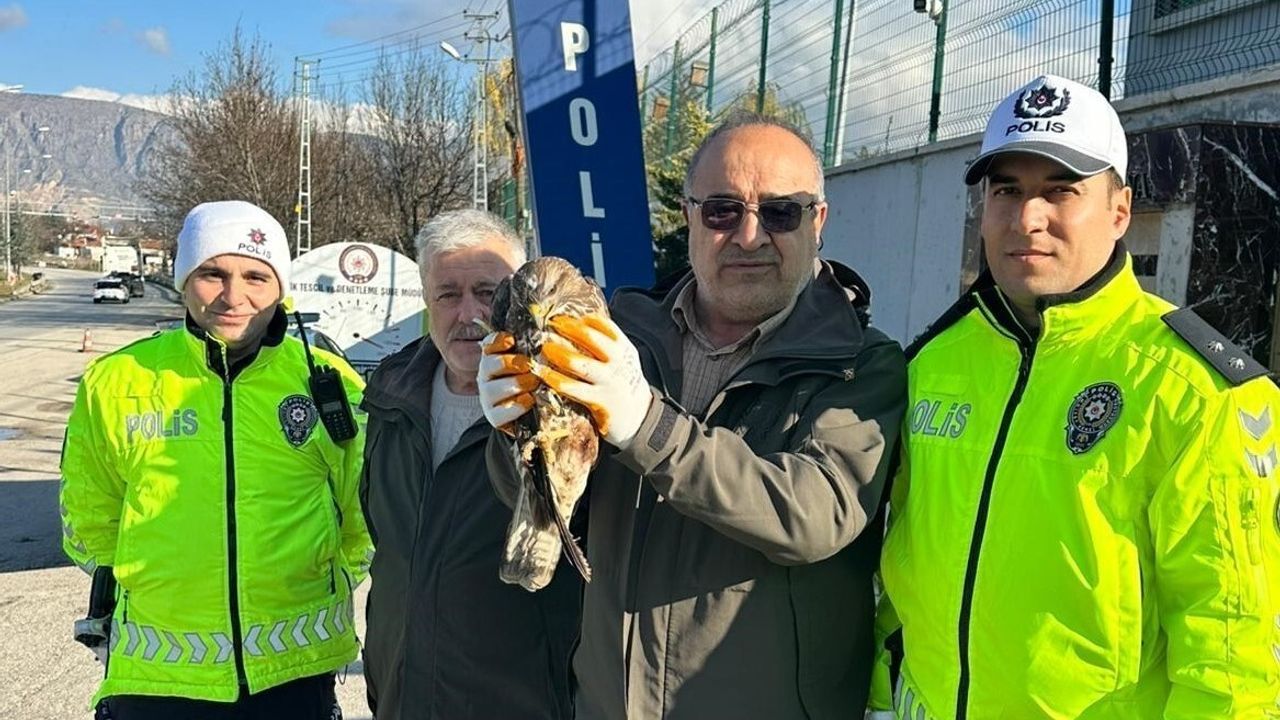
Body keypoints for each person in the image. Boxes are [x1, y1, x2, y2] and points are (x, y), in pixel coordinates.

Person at [873, 74, 1280, 719]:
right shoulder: (933, 361)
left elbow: (1230, 653)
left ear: (1120, 210)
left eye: (1060, 190)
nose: (1027, 218)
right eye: (1006, 190)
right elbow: (904, 568)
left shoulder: (1195, 390)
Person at [479, 113, 908, 718]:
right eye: (723, 211)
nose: (750, 236)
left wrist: (644, 424)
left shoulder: (860, 363)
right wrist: (518, 434)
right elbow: (545, 501)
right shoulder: (619, 333)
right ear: (690, 217)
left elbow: (813, 515)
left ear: (820, 221)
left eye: (781, 212)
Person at [61, 200, 371, 719]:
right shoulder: (115, 382)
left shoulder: (333, 385)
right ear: (183, 279)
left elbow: (364, 513)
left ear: (281, 287)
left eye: (256, 275)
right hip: (156, 677)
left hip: (294, 671)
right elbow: (88, 518)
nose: (234, 296)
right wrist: (144, 581)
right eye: (212, 273)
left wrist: (323, 577)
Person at [359, 209, 581, 719]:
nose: (469, 314)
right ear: (426, 301)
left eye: (488, 292)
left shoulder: (563, 410)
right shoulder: (390, 399)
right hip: (401, 700)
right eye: (448, 295)